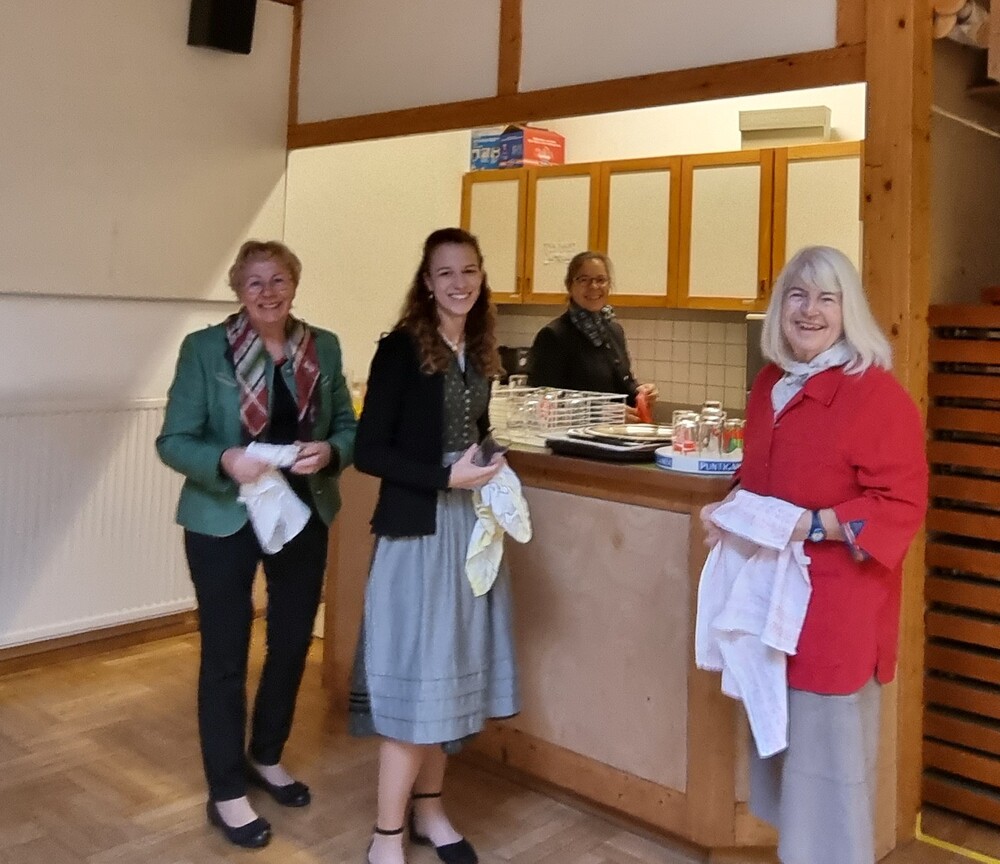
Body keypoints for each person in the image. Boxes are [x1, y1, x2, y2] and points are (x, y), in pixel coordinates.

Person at [699, 246, 927, 864]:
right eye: (798, 295)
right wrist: (729, 511)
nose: (810, 310)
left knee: (829, 779)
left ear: (849, 311)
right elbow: (758, 476)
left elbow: (901, 504)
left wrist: (814, 526)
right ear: (780, 306)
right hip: (772, 606)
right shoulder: (770, 386)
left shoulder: (874, 396)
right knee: (787, 761)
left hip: (836, 615)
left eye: (828, 298)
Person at [156, 240, 357, 849]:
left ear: (294, 283)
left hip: (300, 514)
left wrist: (332, 451)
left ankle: (266, 755)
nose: (268, 293)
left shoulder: (323, 346)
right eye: (255, 283)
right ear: (237, 290)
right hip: (223, 515)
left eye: (278, 280)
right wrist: (225, 459)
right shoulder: (204, 349)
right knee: (226, 651)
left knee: (292, 641)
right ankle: (226, 790)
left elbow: (347, 426)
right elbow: (173, 441)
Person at [349, 227, 518, 864]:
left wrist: (491, 457)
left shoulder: (480, 347)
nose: (459, 283)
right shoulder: (400, 349)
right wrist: (446, 477)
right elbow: (369, 451)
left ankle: (430, 810)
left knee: (449, 676)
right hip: (419, 530)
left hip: (468, 529)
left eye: (469, 270)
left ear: (481, 276)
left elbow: (473, 428)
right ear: (426, 281)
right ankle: (385, 835)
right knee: (417, 679)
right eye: (445, 272)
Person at [525, 251, 658, 421]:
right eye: (584, 280)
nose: (594, 286)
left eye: (601, 280)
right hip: (572, 437)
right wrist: (600, 414)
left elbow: (622, 385)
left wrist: (641, 392)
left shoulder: (614, 331)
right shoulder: (553, 336)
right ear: (569, 286)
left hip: (612, 434)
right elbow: (542, 404)